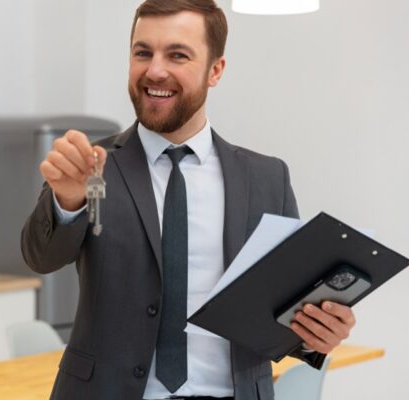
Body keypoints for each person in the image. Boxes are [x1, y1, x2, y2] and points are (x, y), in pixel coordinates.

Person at [20, 1, 357, 399]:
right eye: (143, 52)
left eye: (177, 55)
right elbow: (40, 258)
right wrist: (67, 200)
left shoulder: (267, 178)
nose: (155, 70)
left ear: (215, 70)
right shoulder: (91, 166)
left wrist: (319, 334)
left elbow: (287, 309)